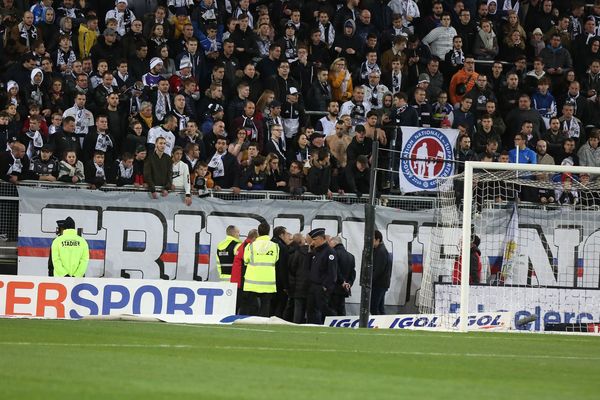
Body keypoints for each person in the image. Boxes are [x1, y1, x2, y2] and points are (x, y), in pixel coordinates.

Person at [242, 222, 279, 317]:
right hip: (267, 282)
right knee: (265, 307)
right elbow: (276, 259)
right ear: (269, 231)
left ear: (258, 232)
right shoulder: (275, 246)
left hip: (252, 282)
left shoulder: (251, 246)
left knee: (251, 307)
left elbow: (245, 260)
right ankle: (263, 325)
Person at [306, 228, 337, 324]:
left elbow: (332, 272)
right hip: (313, 285)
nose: (313, 242)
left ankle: (336, 322)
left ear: (321, 238)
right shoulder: (316, 251)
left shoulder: (329, 252)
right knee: (311, 309)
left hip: (321, 286)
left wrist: (325, 286)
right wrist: (310, 251)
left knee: (324, 309)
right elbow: (309, 266)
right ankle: (313, 327)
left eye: (315, 240)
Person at [230, 229, 258, 314]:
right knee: (247, 303)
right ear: (254, 238)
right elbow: (245, 264)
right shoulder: (248, 246)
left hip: (237, 279)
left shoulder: (243, 245)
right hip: (242, 280)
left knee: (240, 303)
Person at [328, 236, 356, 316]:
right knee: (341, 309)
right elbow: (353, 273)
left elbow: (335, 270)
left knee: (332, 310)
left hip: (334, 287)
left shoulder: (333, 254)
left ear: (334, 242)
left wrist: (342, 281)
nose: (329, 244)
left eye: (330, 242)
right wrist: (348, 283)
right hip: (344, 289)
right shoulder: (351, 256)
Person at [371, 229, 391, 315]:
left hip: (379, 284)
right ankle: (384, 327)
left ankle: (378, 327)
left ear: (378, 240)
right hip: (381, 284)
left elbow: (378, 269)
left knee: (374, 308)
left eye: (372, 239)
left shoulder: (381, 252)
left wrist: (370, 280)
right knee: (379, 307)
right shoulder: (381, 250)